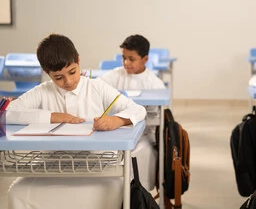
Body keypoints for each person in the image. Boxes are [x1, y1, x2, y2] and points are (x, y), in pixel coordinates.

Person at [6, 34, 147, 209]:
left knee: (115, 189)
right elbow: (8, 112)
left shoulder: (96, 87)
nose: (68, 81)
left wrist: (116, 120)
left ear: (79, 61)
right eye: (58, 77)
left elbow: (138, 109)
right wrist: (52, 116)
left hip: (98, 162)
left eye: (72, 72)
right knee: (17, 193)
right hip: (50, 165)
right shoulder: (42, 92)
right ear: (46, 72)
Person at [99, 34, 165, 191]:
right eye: (123, 58)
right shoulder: (114, 75)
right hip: (114, 131)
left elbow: (154, 120)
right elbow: (96, 88)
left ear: (145, 59)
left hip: (142, 136)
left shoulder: (155, 84)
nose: (126, 63)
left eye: (131, 59)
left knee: (140, 154)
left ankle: (139, 196)